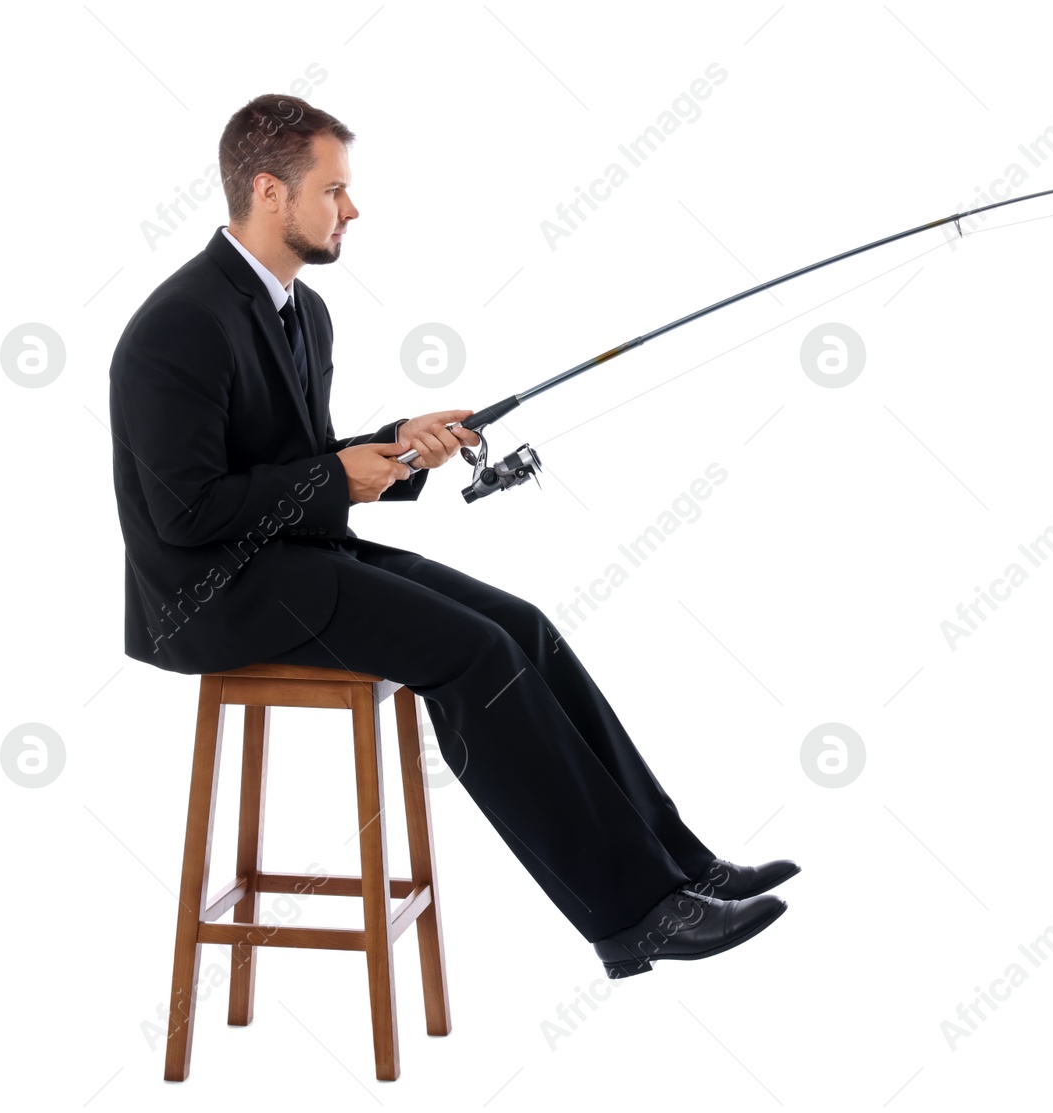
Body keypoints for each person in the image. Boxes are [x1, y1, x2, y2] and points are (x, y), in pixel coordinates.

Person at [107, 93, 796, 977]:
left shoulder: (303, 312)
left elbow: (295, 461)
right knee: (474, 654)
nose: (351, 210)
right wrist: (334, 476)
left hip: (289, 561)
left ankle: (678, 864)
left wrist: (395, 448)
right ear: (271, 193)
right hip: (210, 597)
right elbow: (185, 512)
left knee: (522, 626)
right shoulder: (179, 325)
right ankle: (634, 914)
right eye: (335, 190)